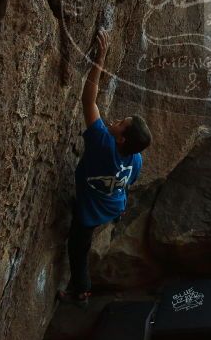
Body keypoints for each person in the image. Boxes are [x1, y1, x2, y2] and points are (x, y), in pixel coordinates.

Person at [57, 30, 152, 303]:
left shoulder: (101, 142)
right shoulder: (135, 159)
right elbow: (129, 181)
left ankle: (81, 291)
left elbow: (89, 100)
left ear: (121, 139)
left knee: (78, 250)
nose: (116, 120)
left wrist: (100, 59)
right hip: (112, 206)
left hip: (90, 213)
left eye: (121, 123)